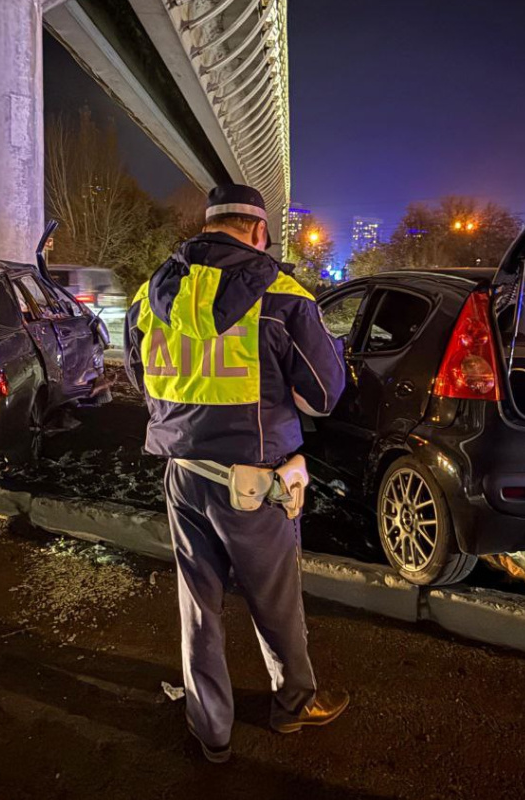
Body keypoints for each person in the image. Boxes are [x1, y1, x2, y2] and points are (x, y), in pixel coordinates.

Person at [125, 183, 348, 763]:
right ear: (257, 231)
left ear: (208, 225)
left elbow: (140, 378)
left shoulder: (151, 294)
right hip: (255, 483)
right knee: (276, 602)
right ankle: (294, 704)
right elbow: (324, 395)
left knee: (198, 606)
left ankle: (211, 729)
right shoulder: (282, 296)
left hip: (183, 475)